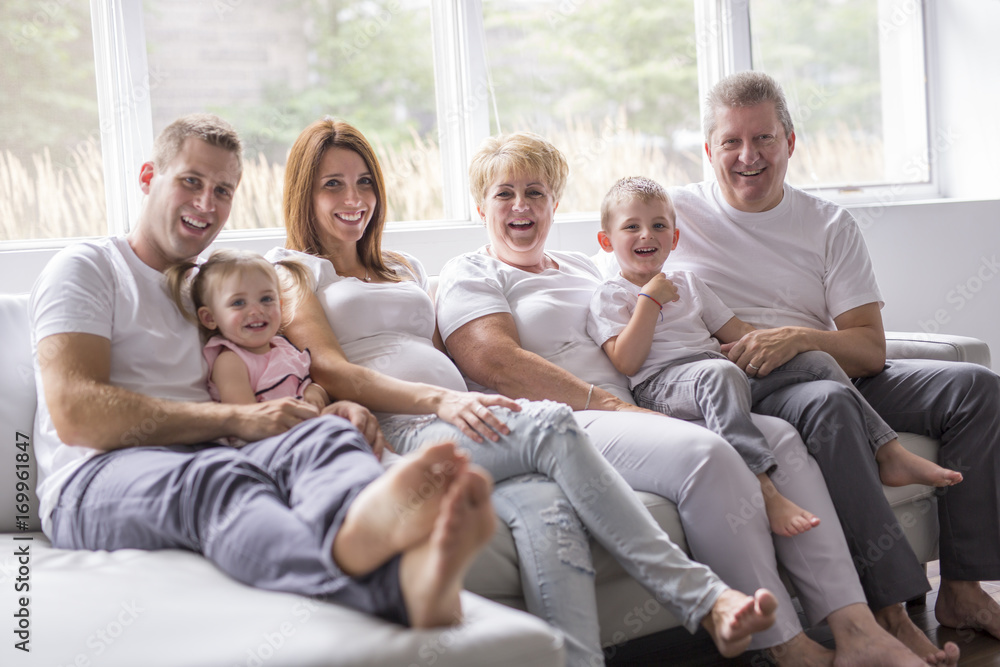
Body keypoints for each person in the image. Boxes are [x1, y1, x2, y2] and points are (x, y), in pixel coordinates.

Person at [268, 117, 779, 667]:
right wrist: (439, 400)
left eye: (364, 181)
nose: (355, 198)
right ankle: (704, 597)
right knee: (553, 424)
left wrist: (464, 396)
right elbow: (330, 368)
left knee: (550, 513)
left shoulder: (402, 265)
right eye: (333, 184)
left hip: (461, 417)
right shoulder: (293, 269)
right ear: (305, 193)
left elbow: (448, 353)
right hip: (404, 430)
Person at [435, 129, 943, 666]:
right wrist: (606, 403)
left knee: (783, 438)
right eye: (504, 194)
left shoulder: (585, 267)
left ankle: (855, 627)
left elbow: (652, 299)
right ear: (479, 206)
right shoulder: (471, 272)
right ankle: (785, 645)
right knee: (707, 457)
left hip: (644, 407)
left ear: (554, 204)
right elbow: (492, 361)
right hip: (570, 420)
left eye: (535, 192)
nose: (521, 206)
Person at [29, 113, 498, 630]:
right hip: (96, 480)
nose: (206, 204)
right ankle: (391, 587)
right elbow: (77, 413)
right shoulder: (89, 268)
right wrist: (234, 420)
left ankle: (371, 527)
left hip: (217, 449)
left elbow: (270, 375)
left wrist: (324, 403)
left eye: (223, 191)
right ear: (148, 178)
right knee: (218, 479)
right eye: (191, 181)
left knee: (326, 440)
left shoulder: (215, 291)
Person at [661, 69, 991, 664]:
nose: (748, 156)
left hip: (825, 364)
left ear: (790, 142)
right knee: (828, 403)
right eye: (731, 142)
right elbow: (628, 290)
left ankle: (964, 590)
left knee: (977, 388)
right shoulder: (675, 216)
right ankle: (890, 613)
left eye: (763, 139)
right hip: (747, 382)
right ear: (708, 150)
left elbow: (869, 348)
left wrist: (797, 337)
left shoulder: (828, 223)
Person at [588, 175, 962, 538]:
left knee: (814, 358)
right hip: (663, 387)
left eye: (658, 225)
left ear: (675, 237)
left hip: (718, 373)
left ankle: (888, 449)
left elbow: (737, 331)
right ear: (607, 241)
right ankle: (764, 491)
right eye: (631, 227)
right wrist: (649, 301)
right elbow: (627, 361)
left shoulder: (689, 284)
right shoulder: (610, 295)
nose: (646, 235)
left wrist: (783, 343)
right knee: (718, 374)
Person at [166, 247, 329, 410]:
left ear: (280, 306)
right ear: (210, 318)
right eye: (238, 303)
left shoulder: (285, 347)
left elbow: (306, 383)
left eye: (266, 299)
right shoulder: (231, 361)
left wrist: (315, 391)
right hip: (274, 433)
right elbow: (247, 415)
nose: (256, 311)